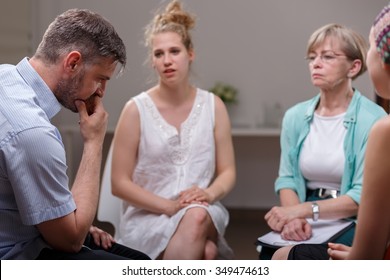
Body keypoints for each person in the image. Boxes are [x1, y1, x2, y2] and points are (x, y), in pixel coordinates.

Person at [0, 8, 149, 260]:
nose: (101, 91)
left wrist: (65, 215)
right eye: (100, 79)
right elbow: (71, 240)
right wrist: (94, 141)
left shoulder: (5, 75)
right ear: (72, 63)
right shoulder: (33, 133)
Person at [111, 0, 236, 260]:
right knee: (208, 252)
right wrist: (168, 206)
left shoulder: (214, 106)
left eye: (174, 51)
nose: (167, 60)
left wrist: (208, 193)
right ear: (152, 61)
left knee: (197, 215)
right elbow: (119, 183)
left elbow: (228, 172)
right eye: (159, 54)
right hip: (148, 216)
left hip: (203, 208)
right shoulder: (135, 110)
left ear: (190, 54)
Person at [260, 23, 387, 260]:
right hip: (306, 213)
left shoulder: (374, 119)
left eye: (327, 57)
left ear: (354, 66)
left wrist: (301, 210)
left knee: (293, 257)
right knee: (269, 256)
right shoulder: (295, 116)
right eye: (312, 57)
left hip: (354, 218)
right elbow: (287, 178)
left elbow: (363, 195)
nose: (316, 64)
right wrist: (294, 217)